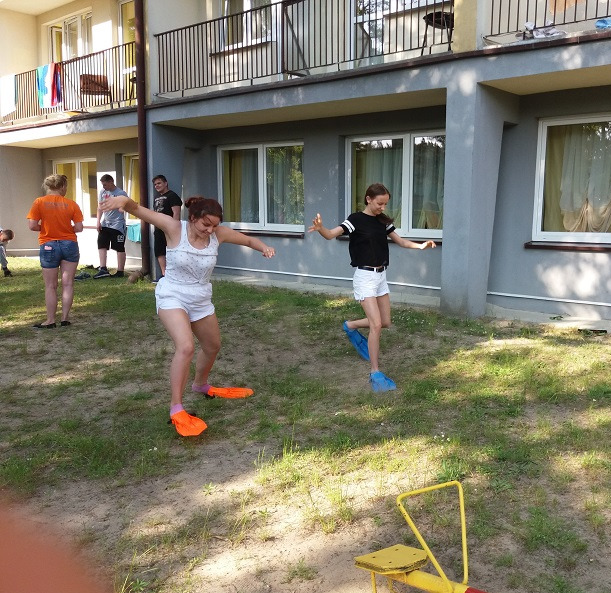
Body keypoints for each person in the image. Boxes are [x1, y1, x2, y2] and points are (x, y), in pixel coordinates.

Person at [97, 193, 276, 436]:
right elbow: (139, 210)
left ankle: (200, 385)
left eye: (214, 225)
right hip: (173, 295)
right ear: (193, 218)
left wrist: (264, 247)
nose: (210, 230)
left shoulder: (218, 234)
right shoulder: (174, 228)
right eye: (206, 224)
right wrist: (124, 202)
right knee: (185, 347)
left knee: (212, 346)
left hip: (200, 299)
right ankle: (176, 407)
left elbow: (247, 240)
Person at [308, 182, 437, 392]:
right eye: (379, 203)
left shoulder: (382, 221)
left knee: (385, 322)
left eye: (385, 204)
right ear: (368, 199)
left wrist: (420, 245)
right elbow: (331, 234)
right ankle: (375, 372)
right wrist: (321, 228)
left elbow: (401, 242)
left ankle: (350, 325)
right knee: (375, 325)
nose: (382, 208)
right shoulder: (355, 220)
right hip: (365, 277)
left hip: (381, 277)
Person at [26, 174, 84, 328]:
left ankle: (50, 320)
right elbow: (79, 227)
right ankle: (65, 318)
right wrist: (66, 229)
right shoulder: (71, 204)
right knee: (68, 283)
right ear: (62, 186)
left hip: (48, 244)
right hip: (69, 244)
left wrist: (46, 228)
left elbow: (32, 225)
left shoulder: (39, 202)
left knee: (50, 286)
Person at [94, 174, 128, 279]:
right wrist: (98, 221)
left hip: (117, 224)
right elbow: (100, 207)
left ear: (111, 182)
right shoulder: (103, 192)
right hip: (105, 223)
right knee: (101, 243)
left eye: (105, 184)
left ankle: (120, 271)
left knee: (119, 247)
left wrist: (121, 208)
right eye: (102, 185)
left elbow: (125, 207)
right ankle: (103, 268)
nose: (104, 187)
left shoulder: (121, 193)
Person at [152, 174, 183, 280]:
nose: (157, 186)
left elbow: (176, 213)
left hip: (169, 229)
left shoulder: (172, 196)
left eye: (159, 183)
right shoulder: (156, 197)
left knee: (171, 251)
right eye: (155, 184)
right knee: (159, 251)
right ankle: (164, 274)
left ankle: (173, 274)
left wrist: (174, 228)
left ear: (165, 183)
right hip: (158, 229)